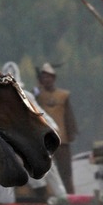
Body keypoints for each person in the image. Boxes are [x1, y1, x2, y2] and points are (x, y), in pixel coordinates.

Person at [0, 61, 68, 205]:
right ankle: (2, 203)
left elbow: (40, 114)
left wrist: (52, 127)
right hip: (6, 143)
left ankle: (58, 196)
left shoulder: (25, 96)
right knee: (0, 166)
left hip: (27, 141)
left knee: (46, 164)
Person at [33, 62, 79, 194]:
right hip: (44, 140)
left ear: (54, 78)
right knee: (45, 171)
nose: (47, 80)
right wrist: (37, 90)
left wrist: (71, 134)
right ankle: (49, 196)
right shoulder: (37, 95)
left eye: (49, 77)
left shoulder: (63, 95)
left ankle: (70, 196)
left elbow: (68, 116)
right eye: (44, 77)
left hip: (62, 139)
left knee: (66, 172)